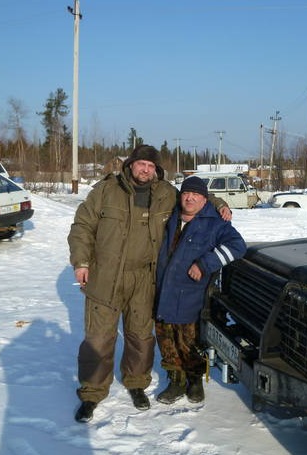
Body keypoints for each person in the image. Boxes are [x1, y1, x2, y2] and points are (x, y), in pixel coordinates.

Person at [67, 145, 231, 423]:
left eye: (151, 166)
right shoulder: (106, 190)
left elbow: (193, 196)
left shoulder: (166, 193)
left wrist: (218, 203)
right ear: (130, 165)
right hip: (105, 276)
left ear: (157, 170)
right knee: (99, 338)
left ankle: (136, 383)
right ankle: (92, 394)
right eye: (141, 164)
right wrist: (81, 262)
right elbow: (82, 225)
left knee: (140, 337)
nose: (146, 170)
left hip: (144, 277)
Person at [154, 176, 246, 405]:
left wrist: (206, 264)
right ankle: (175, 381)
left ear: (205, 199)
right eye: (186, 193)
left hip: (191, 297)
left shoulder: (215, 223)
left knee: (190, 342)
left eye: (196, 195)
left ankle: (194, 381)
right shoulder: (170, 216)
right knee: (167, 340)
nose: (190, 198)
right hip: (164, 292)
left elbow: (238, 246)